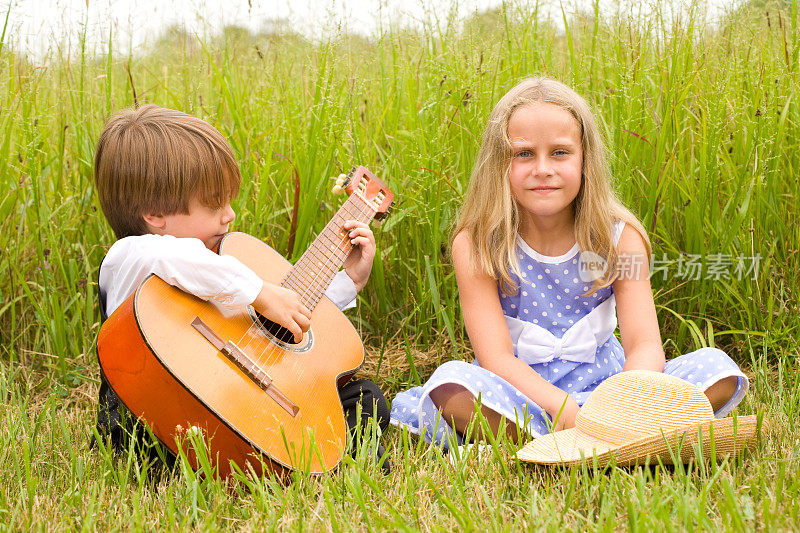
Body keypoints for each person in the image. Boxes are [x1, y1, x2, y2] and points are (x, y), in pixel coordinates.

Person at [390, 78, 748, 448]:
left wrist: (624, 403)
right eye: (524, 153)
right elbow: (494, 356)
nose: (542, 168)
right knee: (452, 387)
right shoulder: (478, 243)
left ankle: (604, 434)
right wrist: (561, 407)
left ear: (584, 160)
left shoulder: (619, 238)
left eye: (560, 153)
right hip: (522, 398)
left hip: (609, 392)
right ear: (499, 162)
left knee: (715, 368)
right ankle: (596, 439)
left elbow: (644, 344)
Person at [92, 104, 390, 473]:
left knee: (366, 400)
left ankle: (336, 464)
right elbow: (176, 259)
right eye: (214, 204)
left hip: (244, 401)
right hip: (155, 428)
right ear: (154, 214)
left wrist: (348, 282)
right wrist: (261, 293)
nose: (229, 214)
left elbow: (280, 327)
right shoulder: (131, 257)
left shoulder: (219, 270)